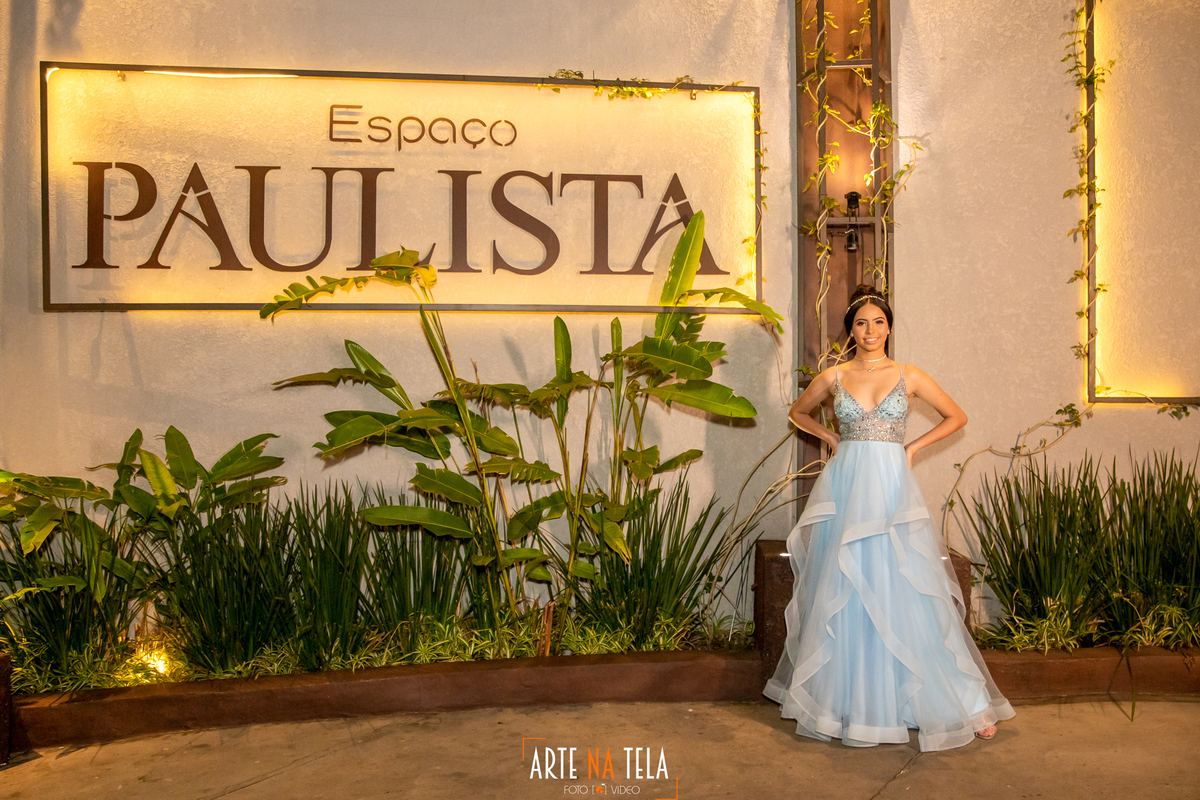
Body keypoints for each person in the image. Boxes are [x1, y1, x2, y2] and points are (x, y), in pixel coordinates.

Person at [764, 285, 1014, 751]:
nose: (870, 330)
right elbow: (798, 412)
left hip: (891, 484)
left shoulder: (908, 374)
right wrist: (831, 439)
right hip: (847, 485)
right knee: (847, 583)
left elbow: (956, 416)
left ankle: (957, 702)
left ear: (889, 328)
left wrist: (913, 448)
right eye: (861, 323)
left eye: (878, 322)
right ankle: (854, 706)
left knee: (906, 584)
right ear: (850, 330)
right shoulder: (834, 376)